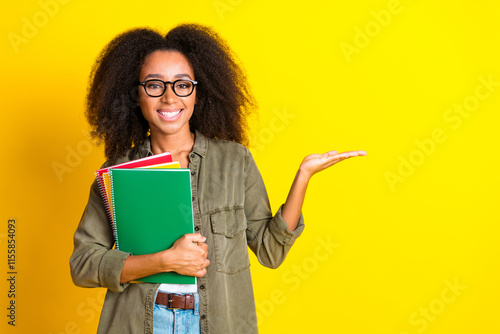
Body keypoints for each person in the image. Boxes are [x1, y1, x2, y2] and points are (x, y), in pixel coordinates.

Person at [70, 23, 366, 334]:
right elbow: (84, 265)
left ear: (198, 93)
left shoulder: (235, 162)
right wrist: (165, 261)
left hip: (217, 323)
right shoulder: (119, 173)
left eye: (182, 85)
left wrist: (303, 176)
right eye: (155, 85)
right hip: (138, 322)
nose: (170, 97)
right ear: (136, 95)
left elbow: (270, 250)